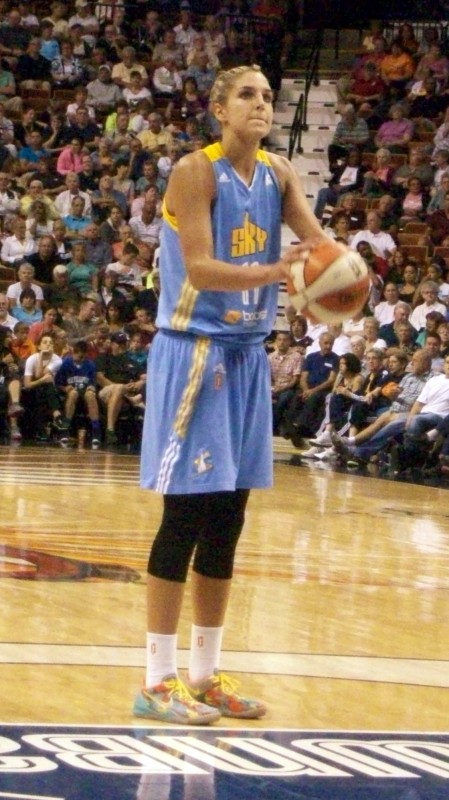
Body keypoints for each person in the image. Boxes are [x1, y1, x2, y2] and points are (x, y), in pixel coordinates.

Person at [135, 65, 329, 725]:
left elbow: (315, 243)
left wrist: (338, 271)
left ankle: (204, 673)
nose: (261, 104)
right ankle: (156, 681)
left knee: (228, 522)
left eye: (269, 96)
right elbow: (198, 267)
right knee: (185, 517)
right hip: (193, 351)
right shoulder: (195, 170)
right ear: (219, 107)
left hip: (247, 357)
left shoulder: (277, 174)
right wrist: (278, 270)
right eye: (247, 94)